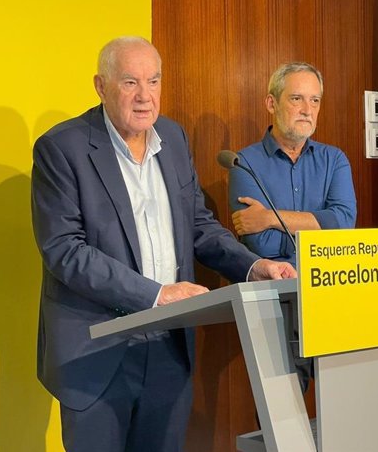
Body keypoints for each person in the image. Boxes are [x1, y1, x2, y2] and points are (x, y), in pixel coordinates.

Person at [31, 36, 296, 452]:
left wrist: (251, 266)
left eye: (153, 82)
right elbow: (65, 251)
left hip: (168, 349)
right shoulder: (62, 148)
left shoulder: (171, 139)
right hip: (97, 353)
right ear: (101, 86)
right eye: (130, 83)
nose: (144, 97)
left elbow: (198, 226)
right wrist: (155, 295)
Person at [228, 62, 357, 391]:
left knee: (344, 406)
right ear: (271, 103)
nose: (307, 110)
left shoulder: (335, 160)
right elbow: (264, 246)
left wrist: (271, 217)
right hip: (275, 301)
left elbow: (343, 224)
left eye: (315, 101)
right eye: (297, 99)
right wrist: (317, 227)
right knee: (284, 416)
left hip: (331, 294)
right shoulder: (245, 163)